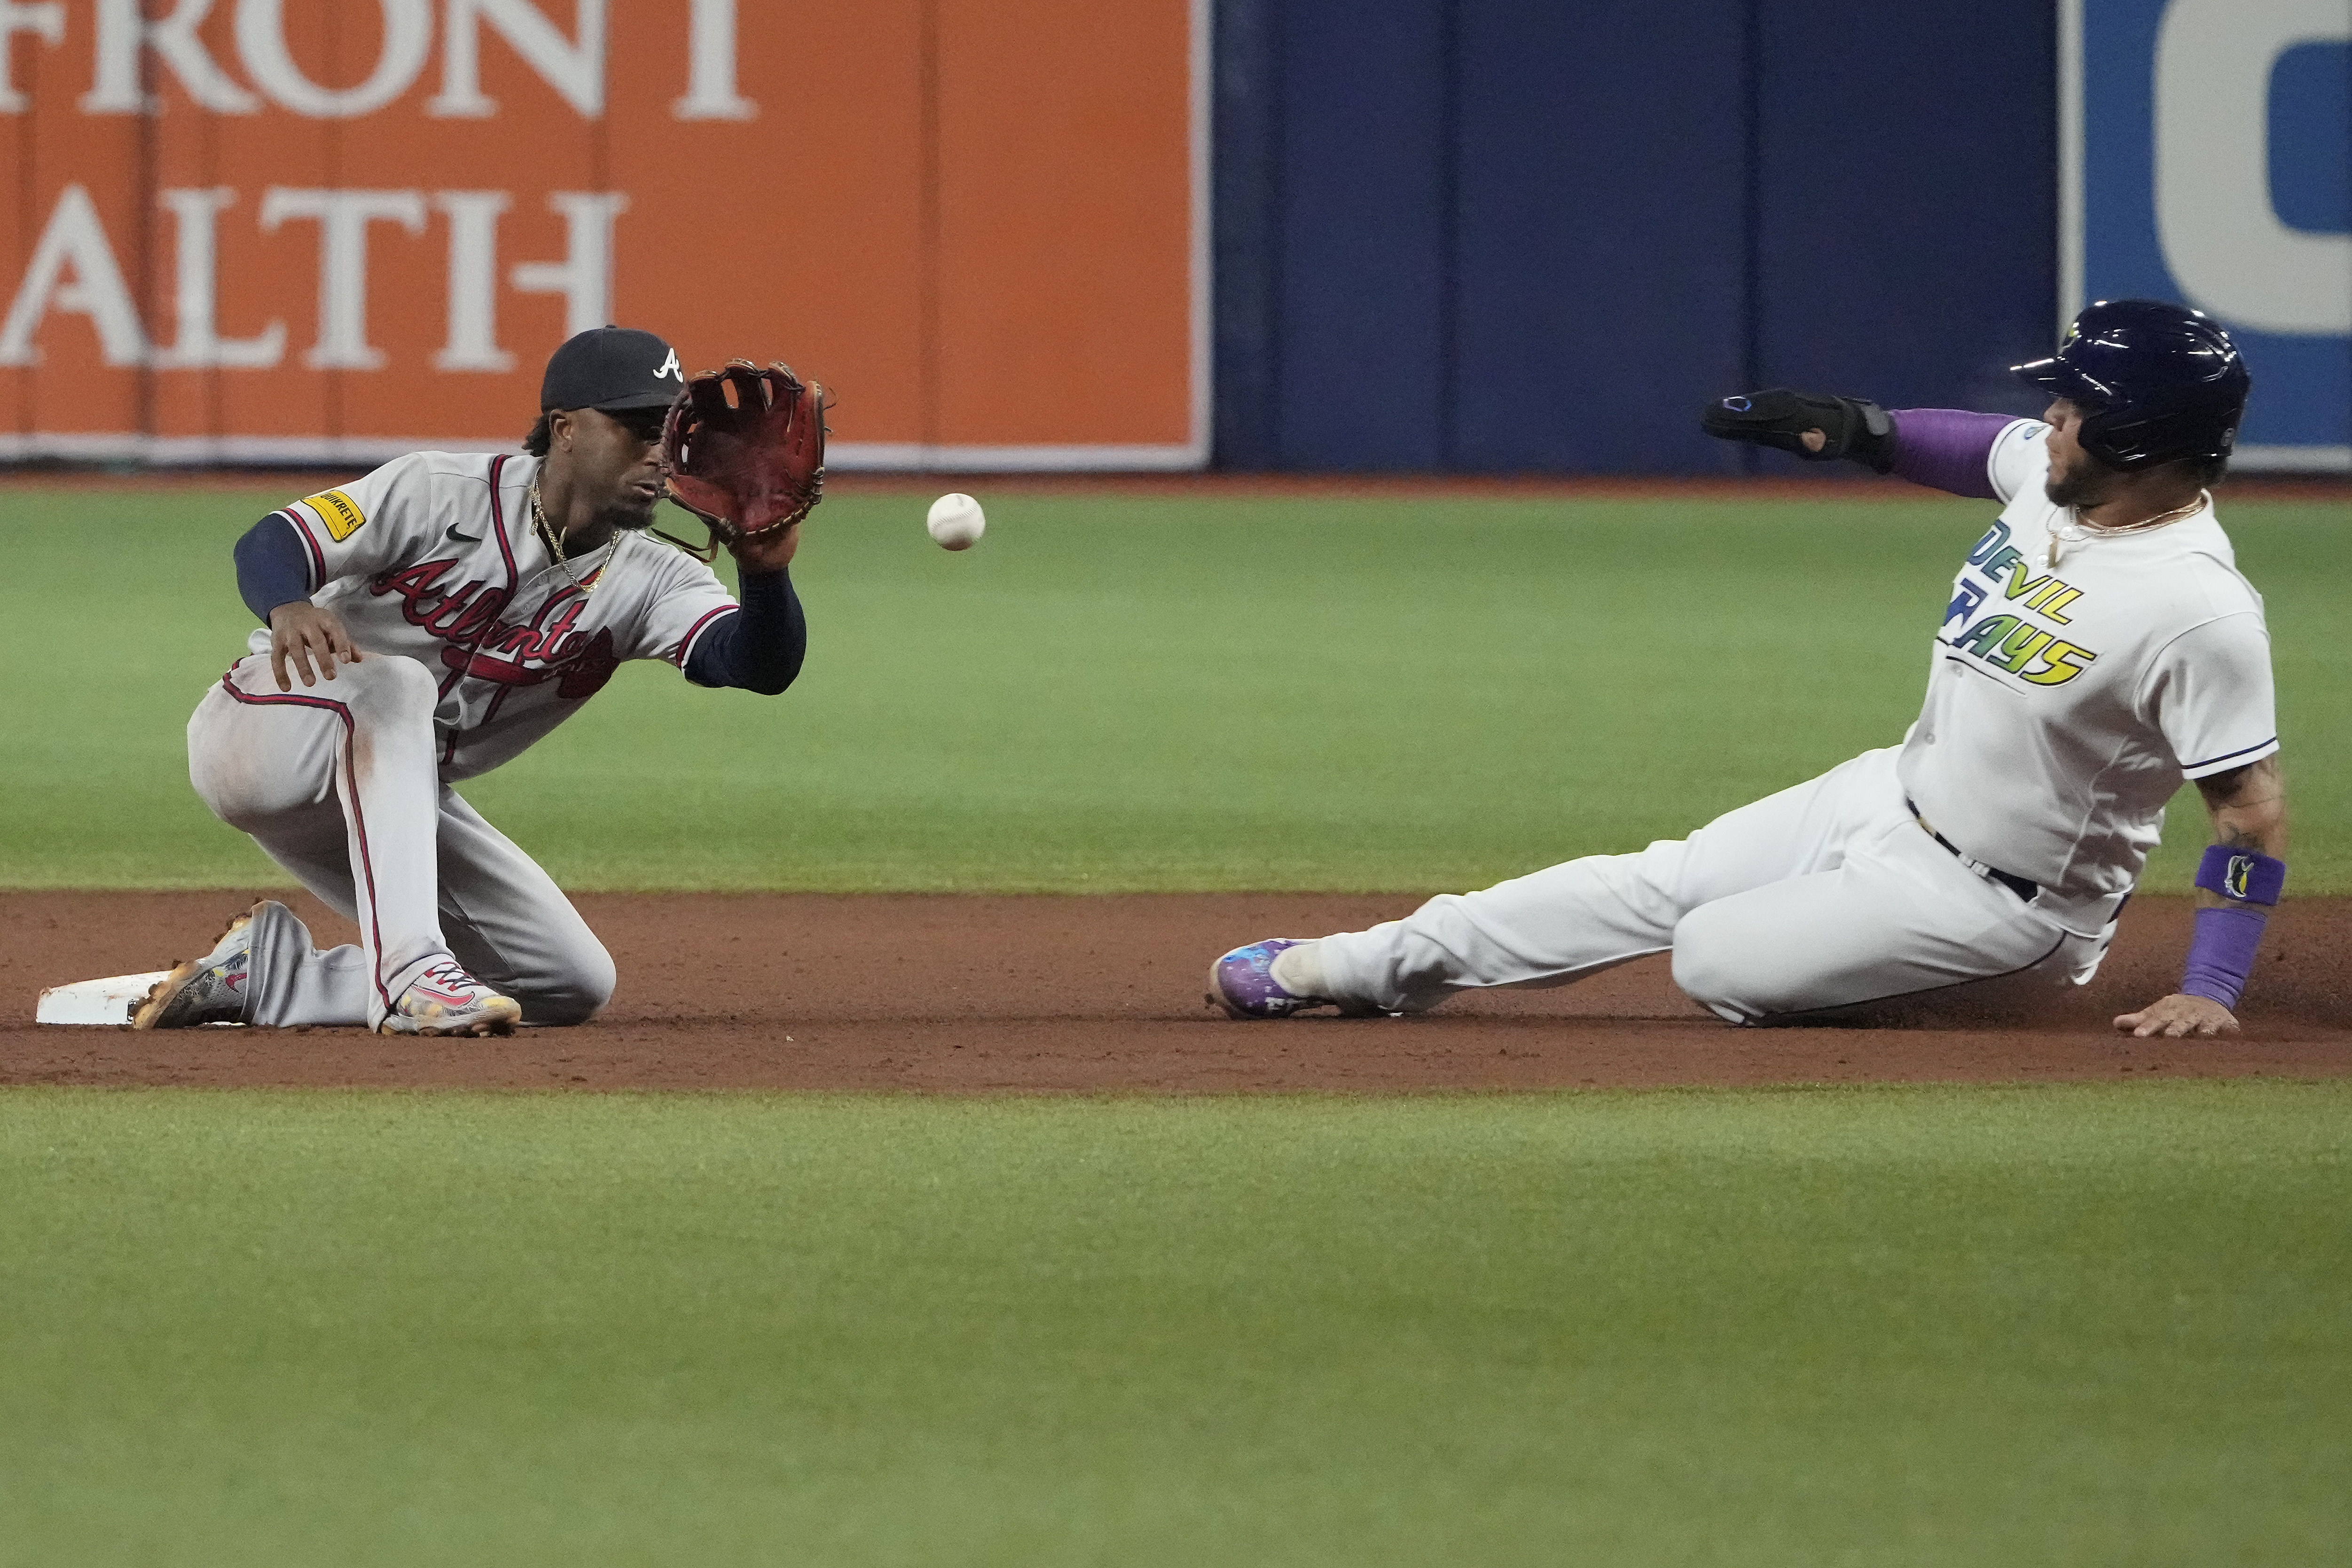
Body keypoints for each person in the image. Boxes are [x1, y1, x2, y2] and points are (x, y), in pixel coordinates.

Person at [1208, 299, 2286, 1040]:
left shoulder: (2195, 608)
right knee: (1655, 882)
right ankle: (1354, 967)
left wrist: (2213, 988)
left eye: (2073, 405)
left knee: (1713, 957)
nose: (2049, 418)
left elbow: (2249, 812)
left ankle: (1943, 995)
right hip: (1888, 796)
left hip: (2004, 909)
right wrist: (1854, 431)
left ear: (2138, 434)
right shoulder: (2055, 488)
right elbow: (1974, 446)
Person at [134, 327, 809, 1036]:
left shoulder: (655, 577)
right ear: (566, 429)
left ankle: (276, 975)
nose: (657, 453)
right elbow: (275, 541)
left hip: (390, 799)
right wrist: (289, 604)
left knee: (568, 980)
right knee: (395, 688)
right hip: (265, 738)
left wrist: (766, 574)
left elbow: (757, 666)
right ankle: (409, 980)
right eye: (637, 428)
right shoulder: (438, 491)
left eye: (669, 434)